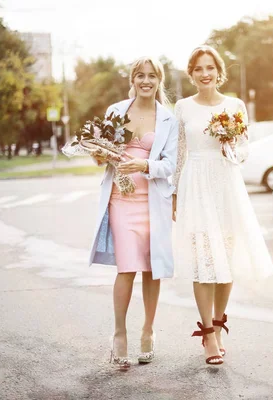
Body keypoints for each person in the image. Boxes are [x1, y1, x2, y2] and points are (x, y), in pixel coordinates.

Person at [172, 45, 273, 365]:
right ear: (191, 75)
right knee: (203, 260)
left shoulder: (235, 105)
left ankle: (218, 324)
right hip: (195, 185)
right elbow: (179, 153)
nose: (205, 74)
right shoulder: (183, 108)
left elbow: (244, 151)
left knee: (224, 262)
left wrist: (230, 145)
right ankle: (207, 336)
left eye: (210, 68)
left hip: (225, 184)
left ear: (219, 72)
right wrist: (175, 194)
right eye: (199, 69)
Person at [88, 56, 178, 370]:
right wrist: (100, 154)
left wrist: (143, 165)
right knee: (126, 268)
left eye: (152, 76)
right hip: (121, 200)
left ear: (159, 80)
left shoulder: (167, 118)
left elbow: (171, 165)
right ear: (132, 79)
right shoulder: (116, 111)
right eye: (140, 75)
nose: (146, 81)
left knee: (152, 269)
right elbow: (102, 153)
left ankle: (149, 331)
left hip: (152, 201)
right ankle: (119, 334)